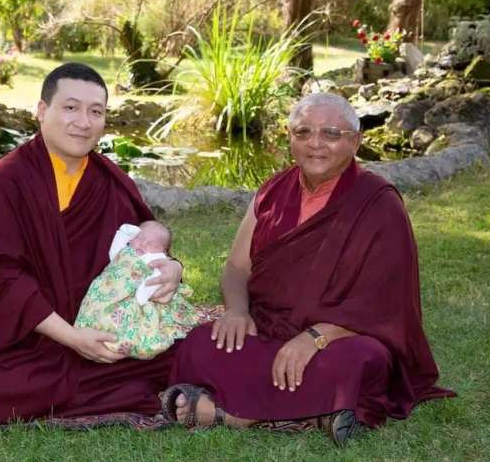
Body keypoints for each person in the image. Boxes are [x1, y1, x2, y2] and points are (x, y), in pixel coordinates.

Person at [161, 93, 455, 446]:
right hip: (267, 331)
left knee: (364, 362)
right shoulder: (272, 191)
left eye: (331, 134)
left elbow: (384, 305)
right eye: (303, 132)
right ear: (290, 138)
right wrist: (238, 311)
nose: (315, 144)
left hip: (336, 342)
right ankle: (318, 414)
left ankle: (229, 414)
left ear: (355, 141)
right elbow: (238, 267)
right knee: (199, 344)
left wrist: (315, 338)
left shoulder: (379, 203)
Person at [0, 63, 184, 427]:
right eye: (70, 107)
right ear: (41, 111)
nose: (83, 122)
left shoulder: (108, 180)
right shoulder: (4, 183)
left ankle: (89, 379)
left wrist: (172, 268)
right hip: (26, 336)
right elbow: (1, 280)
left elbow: (142, 241)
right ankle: (99, 382)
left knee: (184, 349)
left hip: (96, 323)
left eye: (95, 111)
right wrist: (72, 338)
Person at [75, 221, 199, 359]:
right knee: (98, 309)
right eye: (140, 238)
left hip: (138, 298)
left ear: (163, 252)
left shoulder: (155, 260)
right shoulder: (125, 252)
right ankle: (91, 326)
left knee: (127, 318)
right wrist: (124, 232)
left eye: (152, 244)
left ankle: (118, 339)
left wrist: (142, 295)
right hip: (109, 289)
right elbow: (114, 251)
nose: (143, 244)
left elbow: (155, 280)